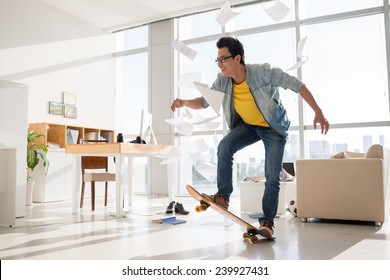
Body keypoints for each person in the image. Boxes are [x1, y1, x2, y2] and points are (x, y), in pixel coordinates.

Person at [170, 36, 329, 238]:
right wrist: (183, 102)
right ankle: (222, 197)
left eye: (223, 59)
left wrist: (318, 112)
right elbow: (204, 102)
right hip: (247, 126)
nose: (219, 64)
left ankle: (267, 222)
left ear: (237, 58)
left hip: (273, 128)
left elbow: (297, 85)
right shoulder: (222, 81)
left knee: (272, 176)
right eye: (217, 60)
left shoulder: (263, 73)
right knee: (225, 146)